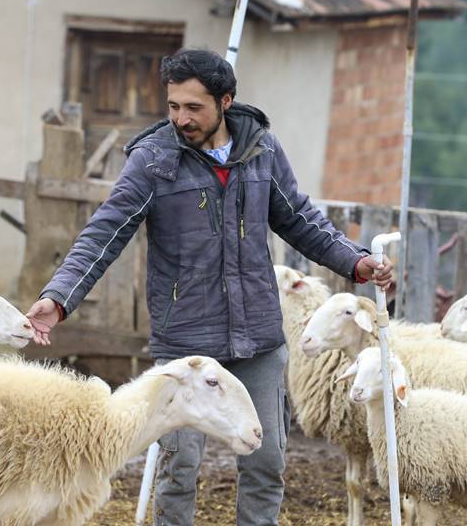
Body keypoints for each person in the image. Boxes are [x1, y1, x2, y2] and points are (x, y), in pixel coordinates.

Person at [26, 49, 394, 526]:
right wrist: (59, 297)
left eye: (193, 107)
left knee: (266, 462)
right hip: (186, 345)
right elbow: (106, 230)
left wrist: (357, 261)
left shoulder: (261, 149)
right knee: (178, 468)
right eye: (173, 106)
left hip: (258, 337)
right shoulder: (153, 161)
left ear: (225, 101)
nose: (181, 118)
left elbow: (300, 219)